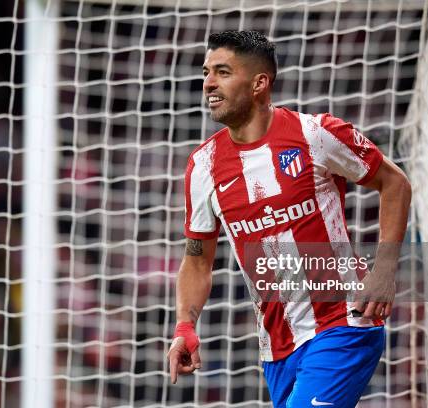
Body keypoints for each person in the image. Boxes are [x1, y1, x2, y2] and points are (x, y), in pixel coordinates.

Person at [167, 30, 411, 408]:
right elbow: (197, 259)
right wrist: (185, 325)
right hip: (277, 346)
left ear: (259, 83)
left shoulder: (316, 134)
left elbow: (394, 183)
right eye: (206, 72)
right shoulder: (204, 167)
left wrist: (383, 272)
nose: (208, 83)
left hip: (343, 322)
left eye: (222, 72)